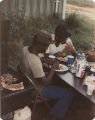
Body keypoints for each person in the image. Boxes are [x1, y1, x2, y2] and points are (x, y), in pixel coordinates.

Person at [20, 30, 73, 120]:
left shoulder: (25, 49)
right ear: (40, 45)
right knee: (68, 94)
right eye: (47, 46)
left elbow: (31, 61)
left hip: (28, 83)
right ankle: (53, 116)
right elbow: (46, 83)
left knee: (58, 82)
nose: (47, 48)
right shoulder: (35, 61)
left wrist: (43, 59)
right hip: (37, 89)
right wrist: (53, 68)